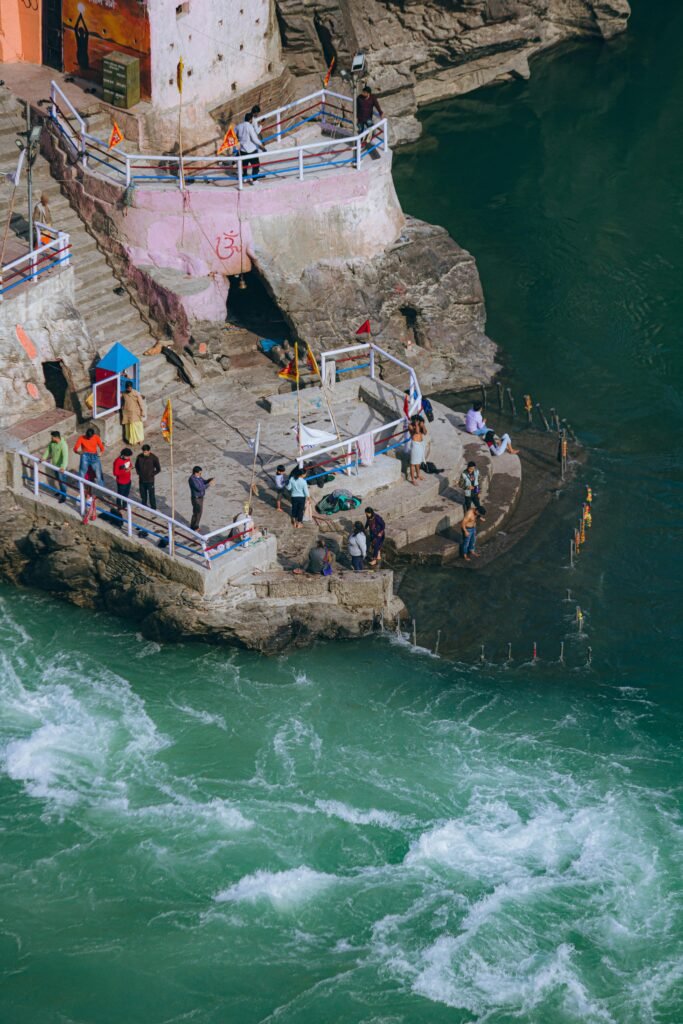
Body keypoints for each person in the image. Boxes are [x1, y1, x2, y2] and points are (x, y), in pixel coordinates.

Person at [236, 111, 266, 185]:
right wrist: (262, 146)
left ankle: (245, 177)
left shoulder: (238, 126)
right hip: (251, 150)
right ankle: (254, 180)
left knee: (245, 165)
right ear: (250, 120)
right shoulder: (250, 127)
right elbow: (254, 139)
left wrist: (238, 142)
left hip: (243, 150)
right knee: (256, 165)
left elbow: (234, 135)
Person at [42, 429, 68, 502]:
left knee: (62, 481)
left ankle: (64, 496)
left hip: (61, 468)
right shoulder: (52, 443)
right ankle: (60, 492)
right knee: (58, 480)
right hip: (55, 466)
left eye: (52, 437)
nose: (51, 438)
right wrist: (44, 458)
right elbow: (48, 450)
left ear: (56, 437)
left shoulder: (63, 445)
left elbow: (65, 457)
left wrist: (63, 467)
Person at [135, 444, 161, 509]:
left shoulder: (154, 458)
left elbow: (158, 469)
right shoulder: (139, 457)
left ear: (149, 451)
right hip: (142, 479)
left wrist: (152, 474)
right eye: (143, 452)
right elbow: (136, 465)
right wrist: (139, 473)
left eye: (146, 452)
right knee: (143, 494)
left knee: (151, 495)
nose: (144, 453)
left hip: (150, 480)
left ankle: (153, 507)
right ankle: (144, 505)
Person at [188, 466, 213, 531]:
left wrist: (208, 480)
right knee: (197, 512)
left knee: (199, 512)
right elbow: (199, 488)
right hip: (196, 498)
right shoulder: (192, 480)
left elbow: (203, 481)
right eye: (199, 473)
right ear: (195, 473)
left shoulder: (198, 477)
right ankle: (194, 527)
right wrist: (209, 484)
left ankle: (195, 525)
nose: (200, 474)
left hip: (200, 498)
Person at [113, 447, 133, 513]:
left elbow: (130, 464)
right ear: (123, 455)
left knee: (126, 494)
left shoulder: (128, 459)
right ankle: (119, 507)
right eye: (127, 456)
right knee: (120, 495)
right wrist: (125, 471)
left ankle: (124, 506)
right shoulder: (117, 462)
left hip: (128, 480)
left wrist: (130, 468)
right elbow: (115, 473)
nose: (128, 457)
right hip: (121, 482)